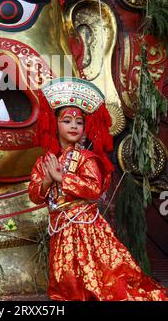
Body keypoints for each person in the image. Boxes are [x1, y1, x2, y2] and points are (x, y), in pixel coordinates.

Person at [29, 77, 167, 301]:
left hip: (87, 232)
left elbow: (93, 189)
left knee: (97, 283)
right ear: (54, 123)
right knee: (65, 282)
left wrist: (61, 177)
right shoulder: (45, 160)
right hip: (60, 230)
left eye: (79, 122)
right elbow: (35, 195)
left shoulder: (86, 158)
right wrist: (46, 181)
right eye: (67, 120)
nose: (74, 126)